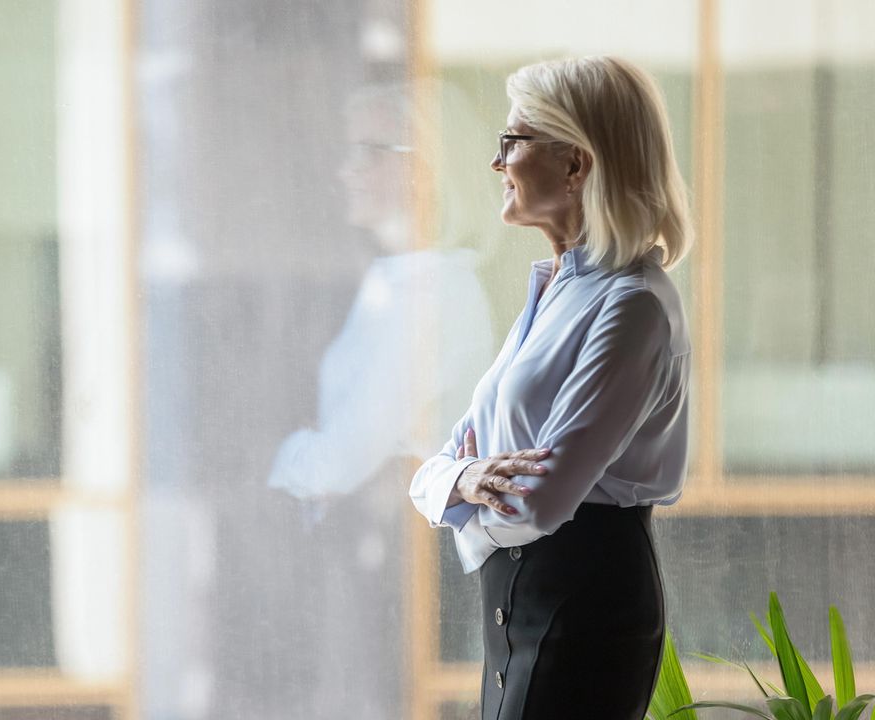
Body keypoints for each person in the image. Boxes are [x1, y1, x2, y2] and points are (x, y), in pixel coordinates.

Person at [408, 56, 693, 720]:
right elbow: (436, 468)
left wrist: (464, 501)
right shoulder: (553, 292)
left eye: (513, 141)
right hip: (517, 602)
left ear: (575, 164)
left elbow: (540, 501)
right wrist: (467, 475)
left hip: (582, 604)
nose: (497, 163)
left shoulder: (633, 304)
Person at [264, 85, 493, 719]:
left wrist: (281, 462)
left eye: (370, 150)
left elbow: (342, 459)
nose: (346, 169)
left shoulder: (435, 291)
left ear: (425, 167)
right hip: (371, 569)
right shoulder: (393, 282)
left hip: (405, 575)